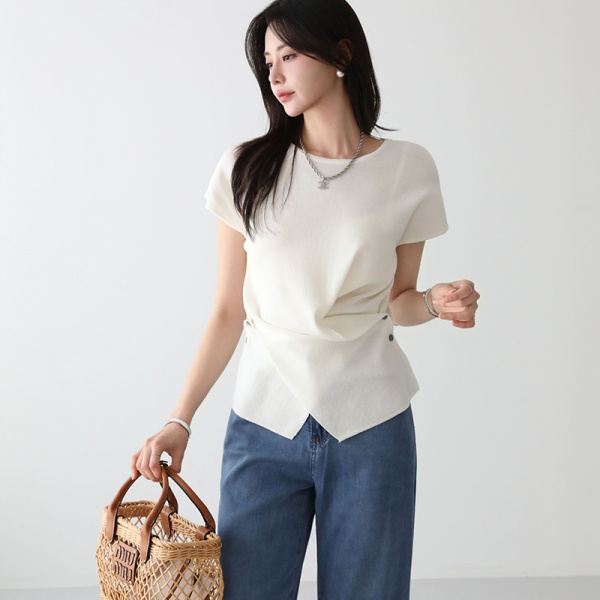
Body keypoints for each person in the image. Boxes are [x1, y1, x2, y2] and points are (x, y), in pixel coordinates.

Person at [132, 0, 480, 598]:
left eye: (288, 55)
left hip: (372, 422)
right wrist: (178, 419)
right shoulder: (245, 169)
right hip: (263, 421)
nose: (274, 73)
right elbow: (228, 310)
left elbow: (397, 300)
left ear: (342, 52)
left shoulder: (409, 169)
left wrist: (433, 302)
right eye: (267, 61)